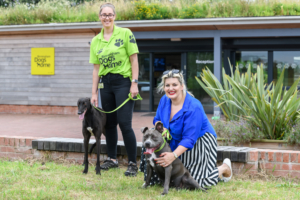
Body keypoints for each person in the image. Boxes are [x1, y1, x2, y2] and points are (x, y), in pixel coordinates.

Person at [139, 69, 232, 187]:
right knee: (170, 178)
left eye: (174, 85)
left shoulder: (193, 106)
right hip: (174, 139)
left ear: (182, 86)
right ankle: (150, 178)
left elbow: (189, 139)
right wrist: (162, 128)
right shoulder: (164, 100)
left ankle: (224, 168)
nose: (170, 88)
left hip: (198, 140)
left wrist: (172, 156)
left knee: (196, 183)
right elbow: (156, 119)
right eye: (167, 85)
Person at [89, 3, 139, 176]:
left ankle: (133, 163)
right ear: (100, 17)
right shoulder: (96, 40)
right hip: (106, 84)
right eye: (104, 15)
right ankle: (112, 159)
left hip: (123, 83)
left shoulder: (125, 33)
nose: (107, 18)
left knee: (125, 124)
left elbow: (134, 60)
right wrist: (94, 92)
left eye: (110, 14)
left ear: (115, 16)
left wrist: (134, 83)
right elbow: (96, 69)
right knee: (109, 124)